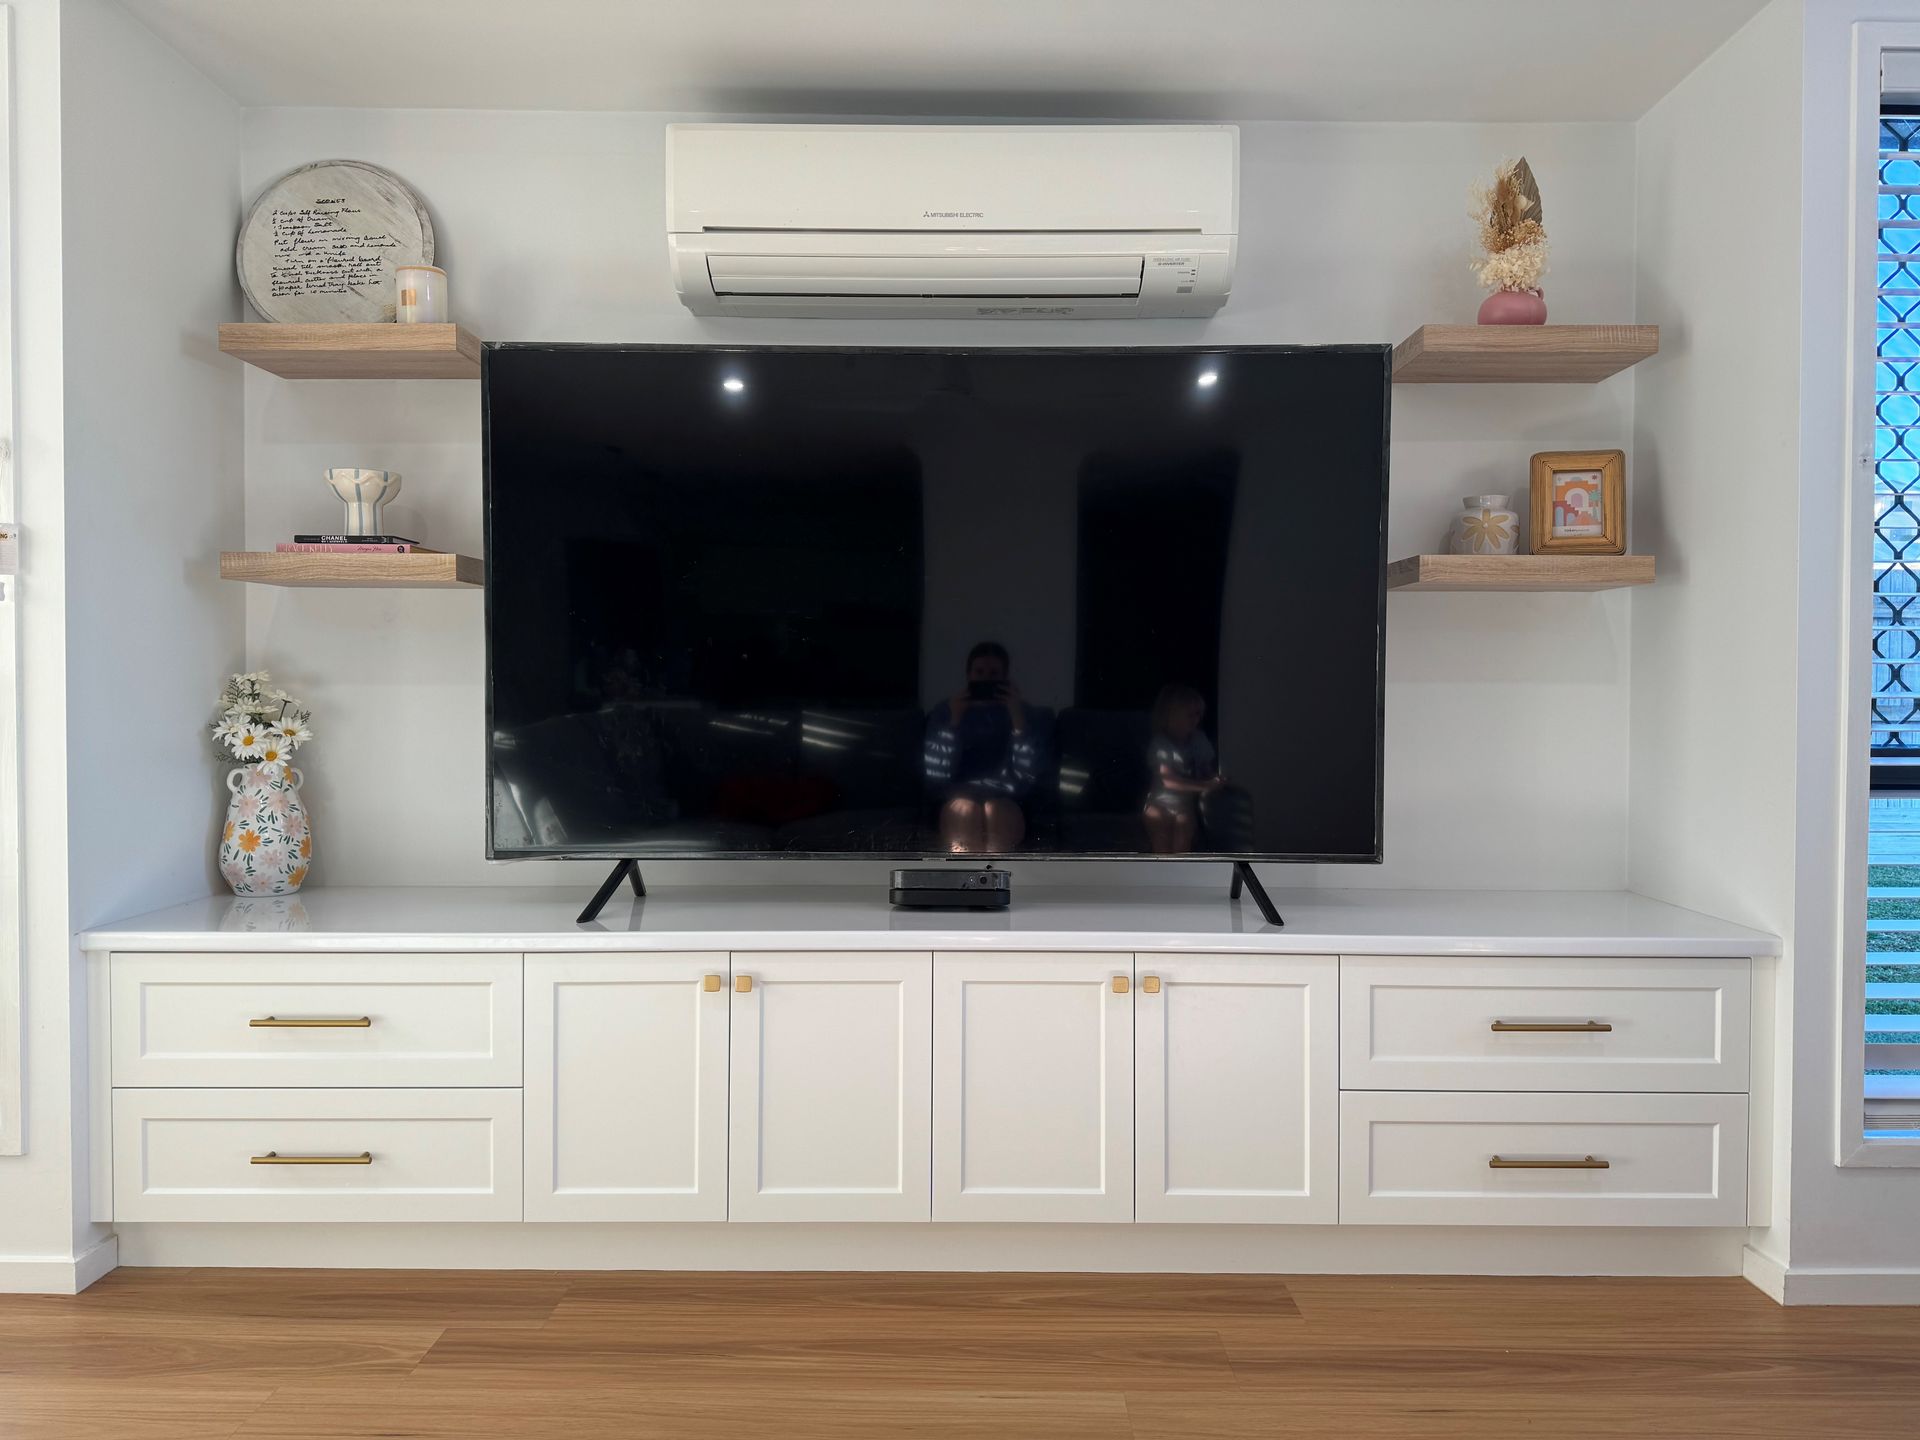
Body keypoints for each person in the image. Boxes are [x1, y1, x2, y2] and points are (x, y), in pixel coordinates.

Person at [924, 641, 1048, 853]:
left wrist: (1017, 719)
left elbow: (1028, 775)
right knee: (965, 809)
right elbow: (937, 774)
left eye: (994, 674)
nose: (985, 680)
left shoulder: (1023, 713)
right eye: (979, 672)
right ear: (968, 675)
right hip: (958, 797)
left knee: (996, 810)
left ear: (1005, 677)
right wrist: (954, 721)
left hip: (1007, 798)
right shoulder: (947, 711)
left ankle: (996, 881)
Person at [1143, 682, 1222, 854]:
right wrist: (1205, 786)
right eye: (1189, 714)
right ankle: (1161, 873)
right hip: (1158, 803)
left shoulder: (1199, 740)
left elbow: (1205, 770)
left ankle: (1177, 873)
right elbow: (1169, 782)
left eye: (1198, 714)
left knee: (1183, 837)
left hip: (1184, 805)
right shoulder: (1161, 744)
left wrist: (1215, 779)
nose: (1196, 719)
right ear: (1172, 716)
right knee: (1160, 837)